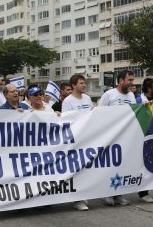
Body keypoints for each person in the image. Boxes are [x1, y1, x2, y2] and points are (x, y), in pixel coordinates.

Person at [98, 70, 135, 206]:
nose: (132, 83)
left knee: (122, 167)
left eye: (132, 80)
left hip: (126, 138)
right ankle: (106, 194)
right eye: (129, 80)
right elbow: (98, 114)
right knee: (109, 167)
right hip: (110, 138)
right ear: (120, 81)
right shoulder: (109, 95)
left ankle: (118, 194)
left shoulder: (131, 95)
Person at [61, 74, 92, 211]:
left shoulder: (87, 98)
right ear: (73, 85)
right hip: (75, 140)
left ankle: (83, 194)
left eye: (84, 83)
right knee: (76, 170)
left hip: (88, 138)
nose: (84, 85)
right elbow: (66, 121)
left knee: (87, 169)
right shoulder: (68, 101)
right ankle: (76, 199)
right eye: (81, 83)